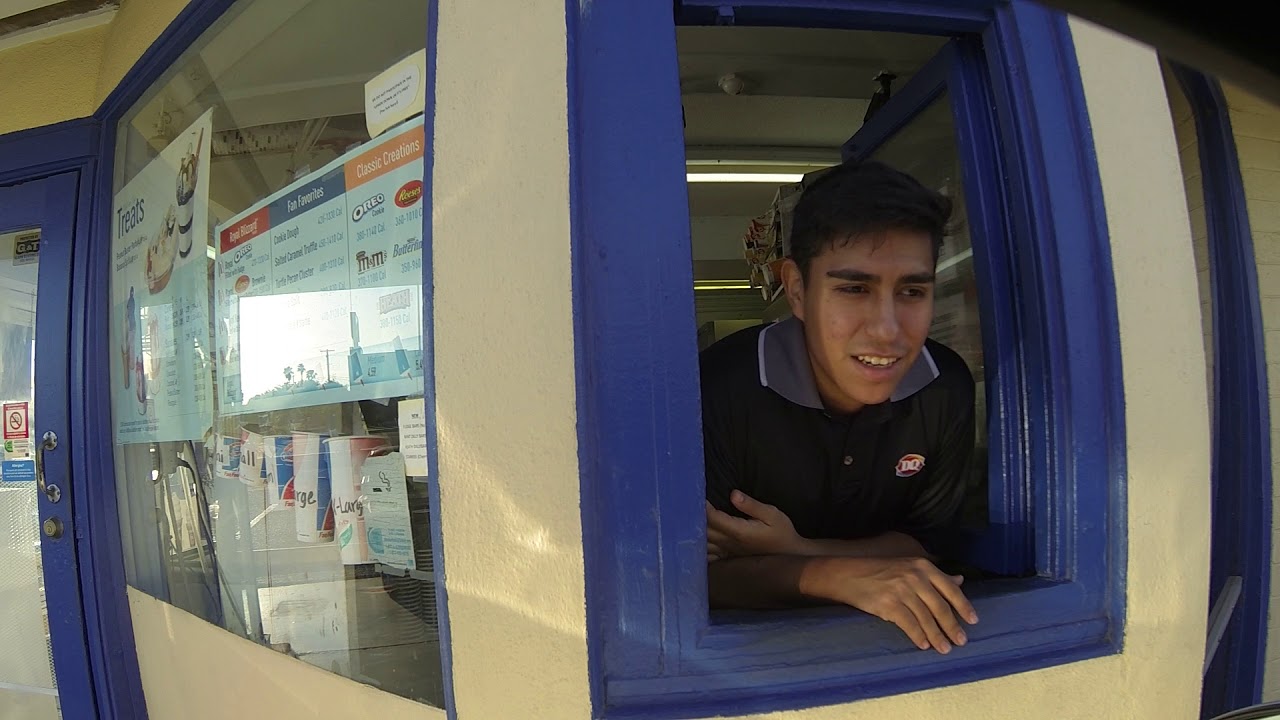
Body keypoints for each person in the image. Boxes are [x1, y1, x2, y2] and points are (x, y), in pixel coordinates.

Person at [700, 159, 978, 655]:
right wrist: (831, 576)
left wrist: (796, 551)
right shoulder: (719, 389)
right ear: (798, 289)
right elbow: (700, 577)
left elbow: (924, 543)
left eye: (912, 291)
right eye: (854, 288)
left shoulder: (945, 387)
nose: (888, 329)